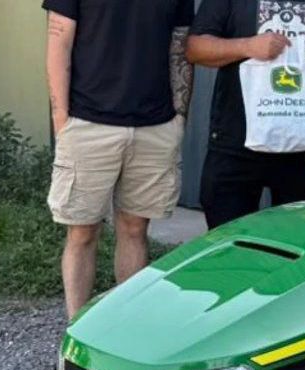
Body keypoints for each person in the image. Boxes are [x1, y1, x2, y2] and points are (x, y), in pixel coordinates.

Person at [43, 0, 194, 320]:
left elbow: (179, 47)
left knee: (135, 229)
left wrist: (180, 115)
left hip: (155, 124)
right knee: (82, 233)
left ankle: (128, 327)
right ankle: (78, 331)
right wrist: (62, 120)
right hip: (88, 123)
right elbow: (59, 41)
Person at [187, 0, 305, 229]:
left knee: (300, 248)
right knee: (227, 246)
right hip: (236, 144)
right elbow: (195, 48)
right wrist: (247, 47)